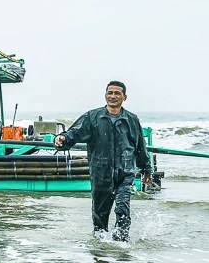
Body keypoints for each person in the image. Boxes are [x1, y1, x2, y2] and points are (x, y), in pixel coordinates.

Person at [54, 80, 152, 241]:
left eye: (117, 93)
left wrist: (146, 168)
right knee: (100, 217)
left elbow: (140, 145)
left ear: (124, 97)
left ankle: (121, 247)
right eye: (110, 93)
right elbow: (74, 133)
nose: (113, 96)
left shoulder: (132, 120)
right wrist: (62, 139)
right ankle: (100, 252)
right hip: (101, 173)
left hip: (124, 173)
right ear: (105, 95)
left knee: (122, 209)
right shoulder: (93, 117)